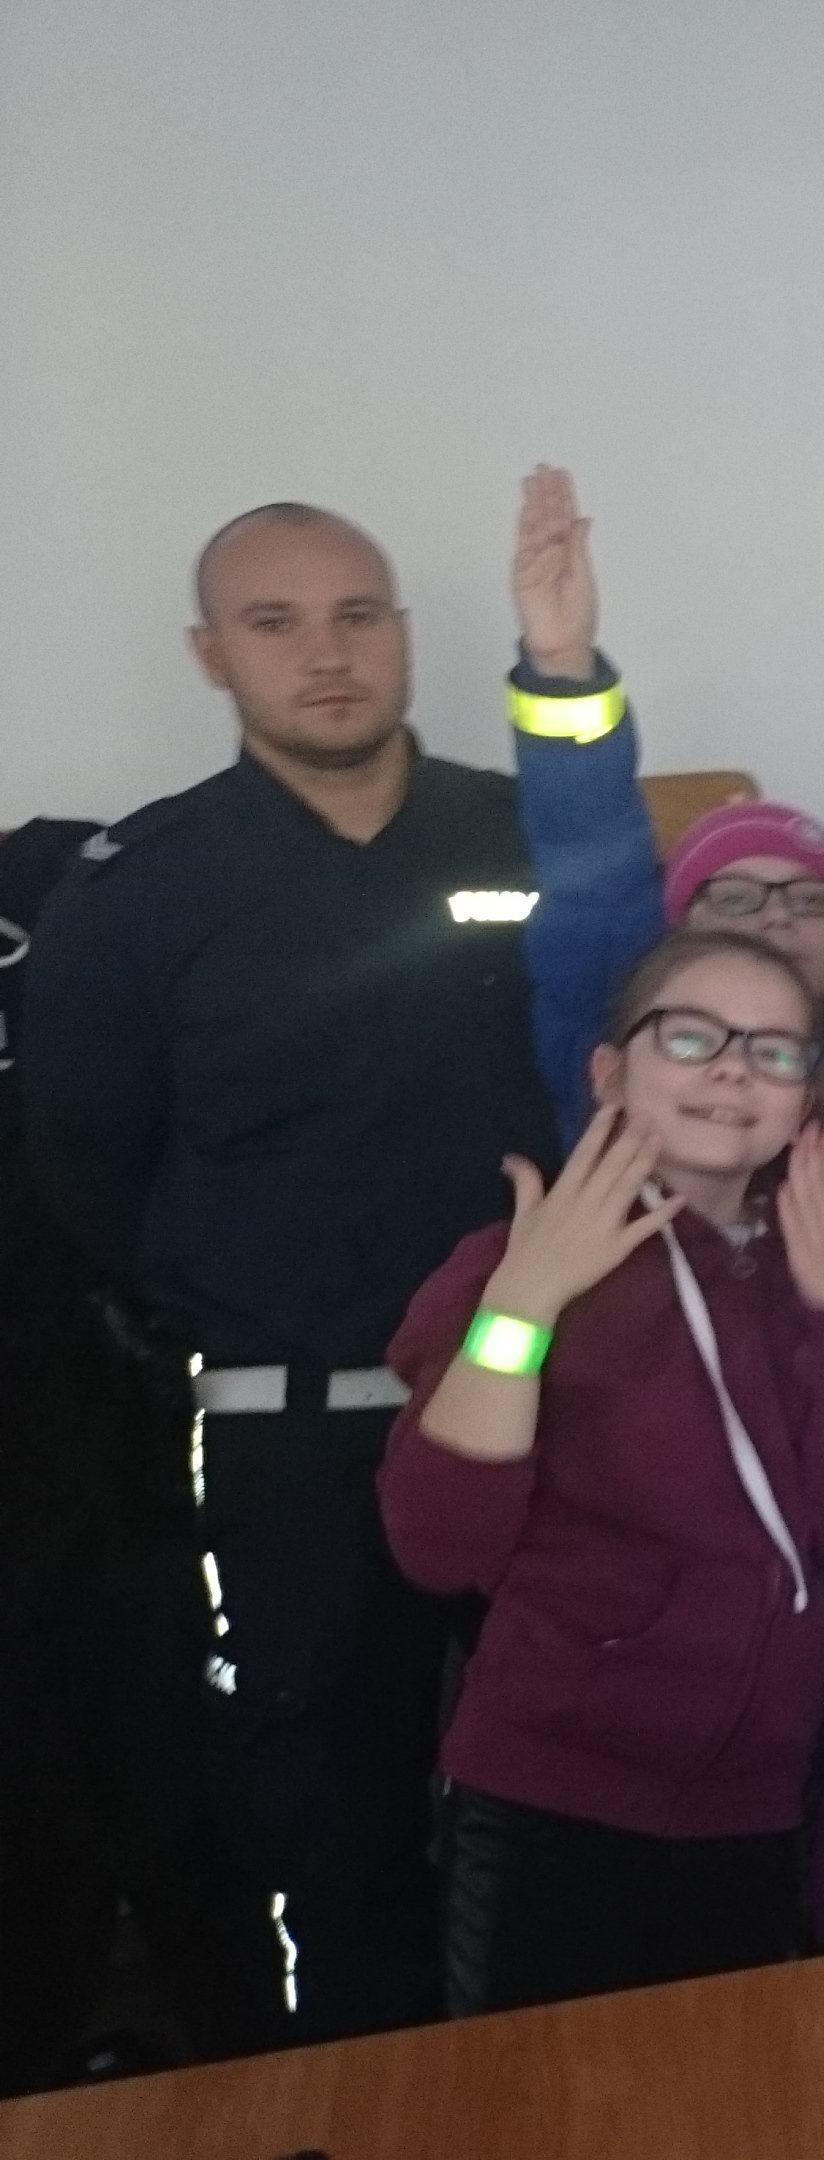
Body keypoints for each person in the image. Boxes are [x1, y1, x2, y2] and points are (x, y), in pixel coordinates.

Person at [22, 500, 561, 2038]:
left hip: (544, 1405)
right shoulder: (136, 894)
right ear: (212, 655)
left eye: (357, 615)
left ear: (403, 634)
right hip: (288, 1447)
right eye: (275, 623)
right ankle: (363, 2111)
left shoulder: (518, 835)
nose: (326, 655)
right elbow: (87, 1168)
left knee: (575, 1816)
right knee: (326, 1832)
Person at [381, 933, 824, 2013]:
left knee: (720, 2091)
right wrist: (522, 1311)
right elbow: (438, 1545)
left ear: (805, 1097)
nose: (732, 1071)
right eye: (690, 1038)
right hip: (550, 1796)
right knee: (537, 2097)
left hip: (760, 1803)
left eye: (773, 1051)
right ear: (607, 1071)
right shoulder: (514, 1260)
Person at [0, 813, 280, 2088]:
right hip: (89, 1445)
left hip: (131, 1429)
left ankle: (255, 2078)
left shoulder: (97, 876)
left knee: (183, 1796)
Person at [501, 468, 824, 1127]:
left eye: (811, 899)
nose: (777, 919)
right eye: (734, 897)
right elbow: (589, 864)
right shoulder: (619, 1053)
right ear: (671, 935)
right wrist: (563, 668)